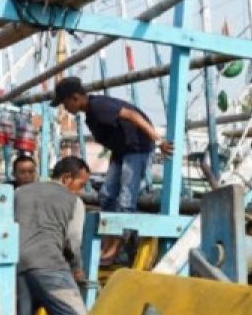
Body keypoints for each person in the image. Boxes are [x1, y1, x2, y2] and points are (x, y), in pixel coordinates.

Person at [52, 77, 172, 262]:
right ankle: (108, 241)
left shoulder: (99, 106)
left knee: (125, 200)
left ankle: (116, 246)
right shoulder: (91, 113)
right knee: (106, 195)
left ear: (74, 98)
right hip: (122, 151)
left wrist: (158, 140)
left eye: (64, 103)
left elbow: (132, 115)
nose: (65, 108)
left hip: (136, 149)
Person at [13, 156, 91, 315]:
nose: (81, 191)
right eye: (81, 184)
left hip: (17, 267)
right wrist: (76, 268)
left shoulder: (19, 192)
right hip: (50, 266)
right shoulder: (75, 202)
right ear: (66, 178)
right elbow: (73, 241)